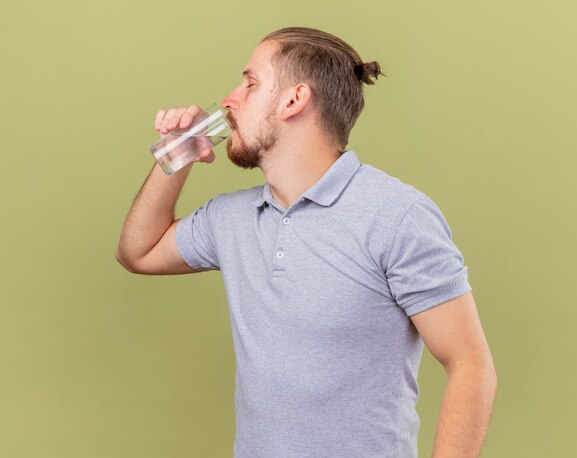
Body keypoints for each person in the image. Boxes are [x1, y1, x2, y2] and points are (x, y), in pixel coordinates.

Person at [115, 26, 497, 458]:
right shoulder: (231, 218)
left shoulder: (397, 216)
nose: (228, 100)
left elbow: (470, 364)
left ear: (294, 100)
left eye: (250, 83)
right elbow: (138, 252)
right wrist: (177, 153)